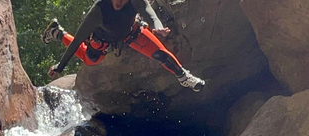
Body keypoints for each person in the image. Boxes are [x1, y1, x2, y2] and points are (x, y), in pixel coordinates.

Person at [41, 0, 206, 92]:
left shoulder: (135, 1)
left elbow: (150, 13)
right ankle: (58, 33)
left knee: (159, 54)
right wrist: (60, 67)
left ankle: (184, 77)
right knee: (90, 59)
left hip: (131, 32)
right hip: (102, 40)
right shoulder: (98, 10)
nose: (119, 1)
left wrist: (157, 26)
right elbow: (78, 40)